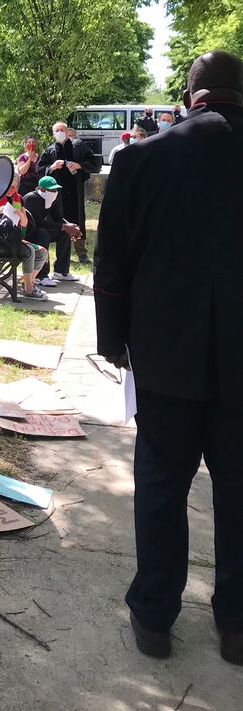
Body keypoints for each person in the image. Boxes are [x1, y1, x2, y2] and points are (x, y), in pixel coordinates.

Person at [94, 49, 243, 666]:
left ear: (191, 95)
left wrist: (113, 343)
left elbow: (112, 265)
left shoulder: (140, 159)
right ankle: (237, 626)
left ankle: (155, 615)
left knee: (161, 484)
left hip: (164, 354)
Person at [0, 174, 49, 300]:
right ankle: (29, 289)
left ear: (18, 186)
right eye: (8, 186)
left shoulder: (18, 199)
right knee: (29, 251)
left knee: (42, 252)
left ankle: (27, 281)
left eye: (13, 187)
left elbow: (24, 223)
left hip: (13, 241)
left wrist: (20, 214)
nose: (10, 190)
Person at [37, 121, 100, 264]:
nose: (59, 132)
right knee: (60, 220)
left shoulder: (78, 146)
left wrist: (79, 165)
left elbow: (94, 163)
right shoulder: (50, 150)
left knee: (77, 218)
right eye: (56, 130)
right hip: (57, 193)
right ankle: (62, 255)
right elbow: (40, 170)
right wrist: (51, 167)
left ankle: (81, 252)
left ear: (67, 132)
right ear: (53, 134)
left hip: (75, 190)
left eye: (62, 130)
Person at [22, 175, 82, 286]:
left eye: (55, 189)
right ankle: (41, 275)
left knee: (64, 233)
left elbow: (58, 218)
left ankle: (61, 271)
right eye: (51, 189)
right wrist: (64, 226)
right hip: (27, 234)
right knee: (43, 234)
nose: (54, 192)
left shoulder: (53, 198)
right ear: (41, 189)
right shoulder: (31, 199)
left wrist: (70, 227)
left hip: (41, 230)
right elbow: (38, 223)